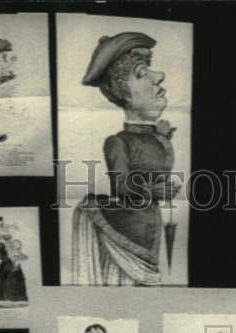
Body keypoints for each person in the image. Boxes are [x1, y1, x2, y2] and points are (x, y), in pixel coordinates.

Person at [73, 32, 177, 285]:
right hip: (127, 238)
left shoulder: (158, 135)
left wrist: (162, 137)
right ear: (124, 94)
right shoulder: (117, 142)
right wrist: (154, 189)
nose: (159, 77)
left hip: (151, 230)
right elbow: (121, 187)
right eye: (142, 74)